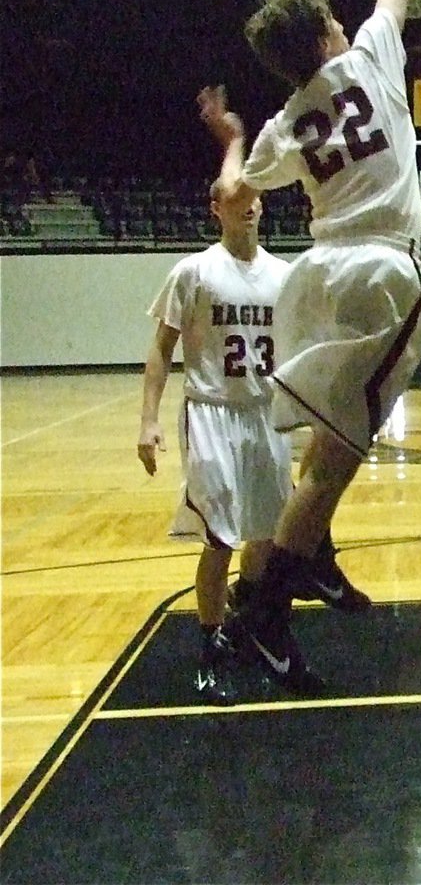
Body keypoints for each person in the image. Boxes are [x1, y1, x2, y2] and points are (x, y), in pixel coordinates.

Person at [195, 0, 421, 693]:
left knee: (331, 438)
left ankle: (315, 556)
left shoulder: (283, 123)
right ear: (331, 33)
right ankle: (263, 614)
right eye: (334, 20)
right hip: (380, 271)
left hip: (317, 276)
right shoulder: (370, 56)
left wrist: (231, 138)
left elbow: (235, 191)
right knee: (335, 460)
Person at [137, 182, 293, 704]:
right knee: (221, 536)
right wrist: (148, 422)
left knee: (266, 536)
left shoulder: (283, 276)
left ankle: (243, 622)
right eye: (235, 200)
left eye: (254, 198)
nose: (247, 206)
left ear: (262, 205)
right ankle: (209, 646)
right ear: (215, 210)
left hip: (265, 413)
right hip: (210, 411)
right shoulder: (194, 272)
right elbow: (161, 350)